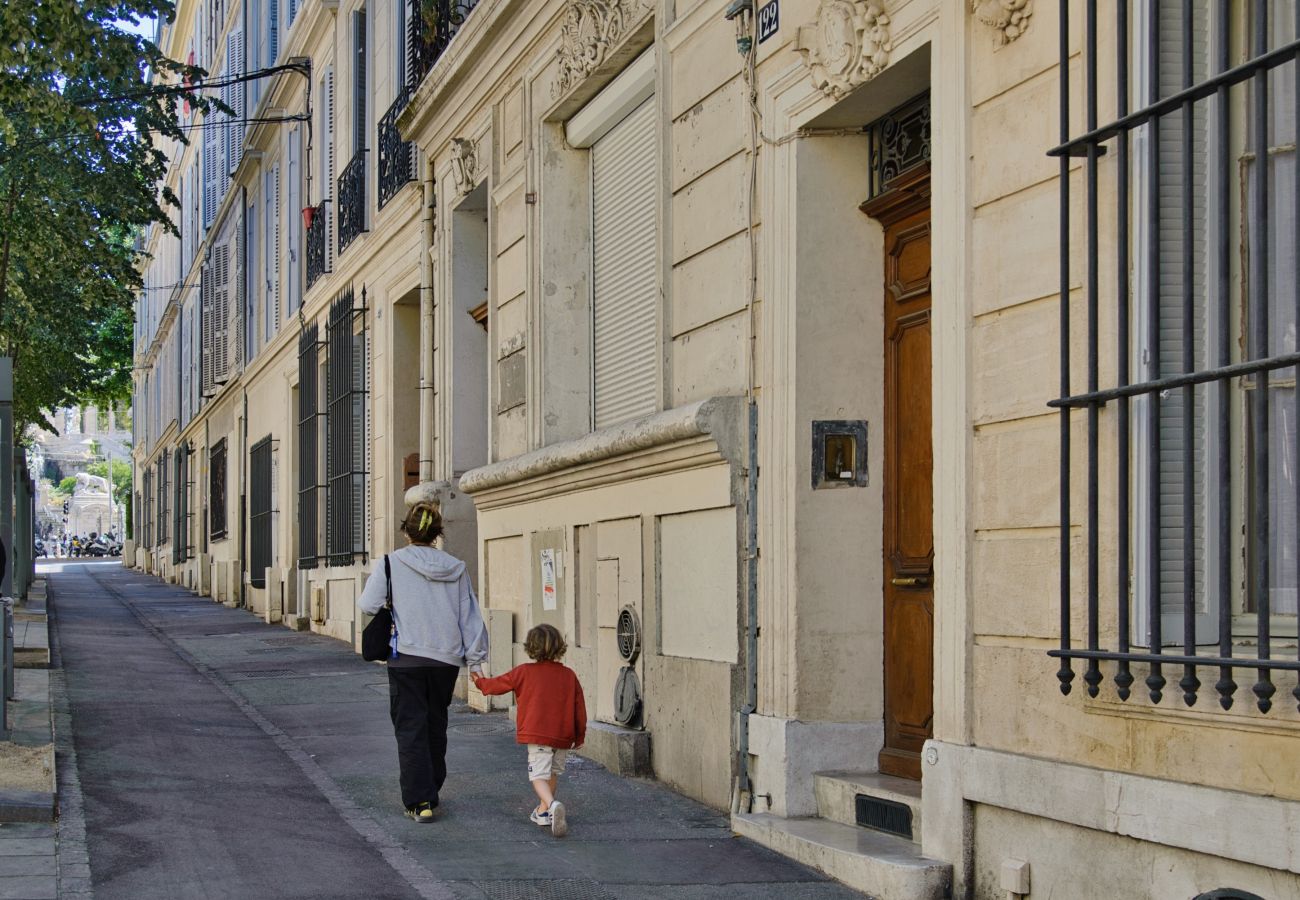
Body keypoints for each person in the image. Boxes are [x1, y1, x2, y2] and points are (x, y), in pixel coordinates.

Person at [357, 500, 489, 824]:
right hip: (445, 661)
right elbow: (469, 617)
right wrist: (477, 661)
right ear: (436, 534)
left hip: (407, 658)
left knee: (410, 728)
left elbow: (368, 603)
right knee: (435, 724)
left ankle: (420, 801)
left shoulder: (391, 563)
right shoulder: (455, 567)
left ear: (406, 531)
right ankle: (432, 786)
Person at [472, 623, 587, 837]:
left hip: (538, 734)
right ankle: (543, 812)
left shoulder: (524, 672)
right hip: (563, 735)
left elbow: (495, 686)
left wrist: (479, 680)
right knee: (552, 773)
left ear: (530, 647)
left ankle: (552, 805)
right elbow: (579, 708)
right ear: (559, 647)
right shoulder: (568, 675)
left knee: (537, 777)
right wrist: (579, 735)